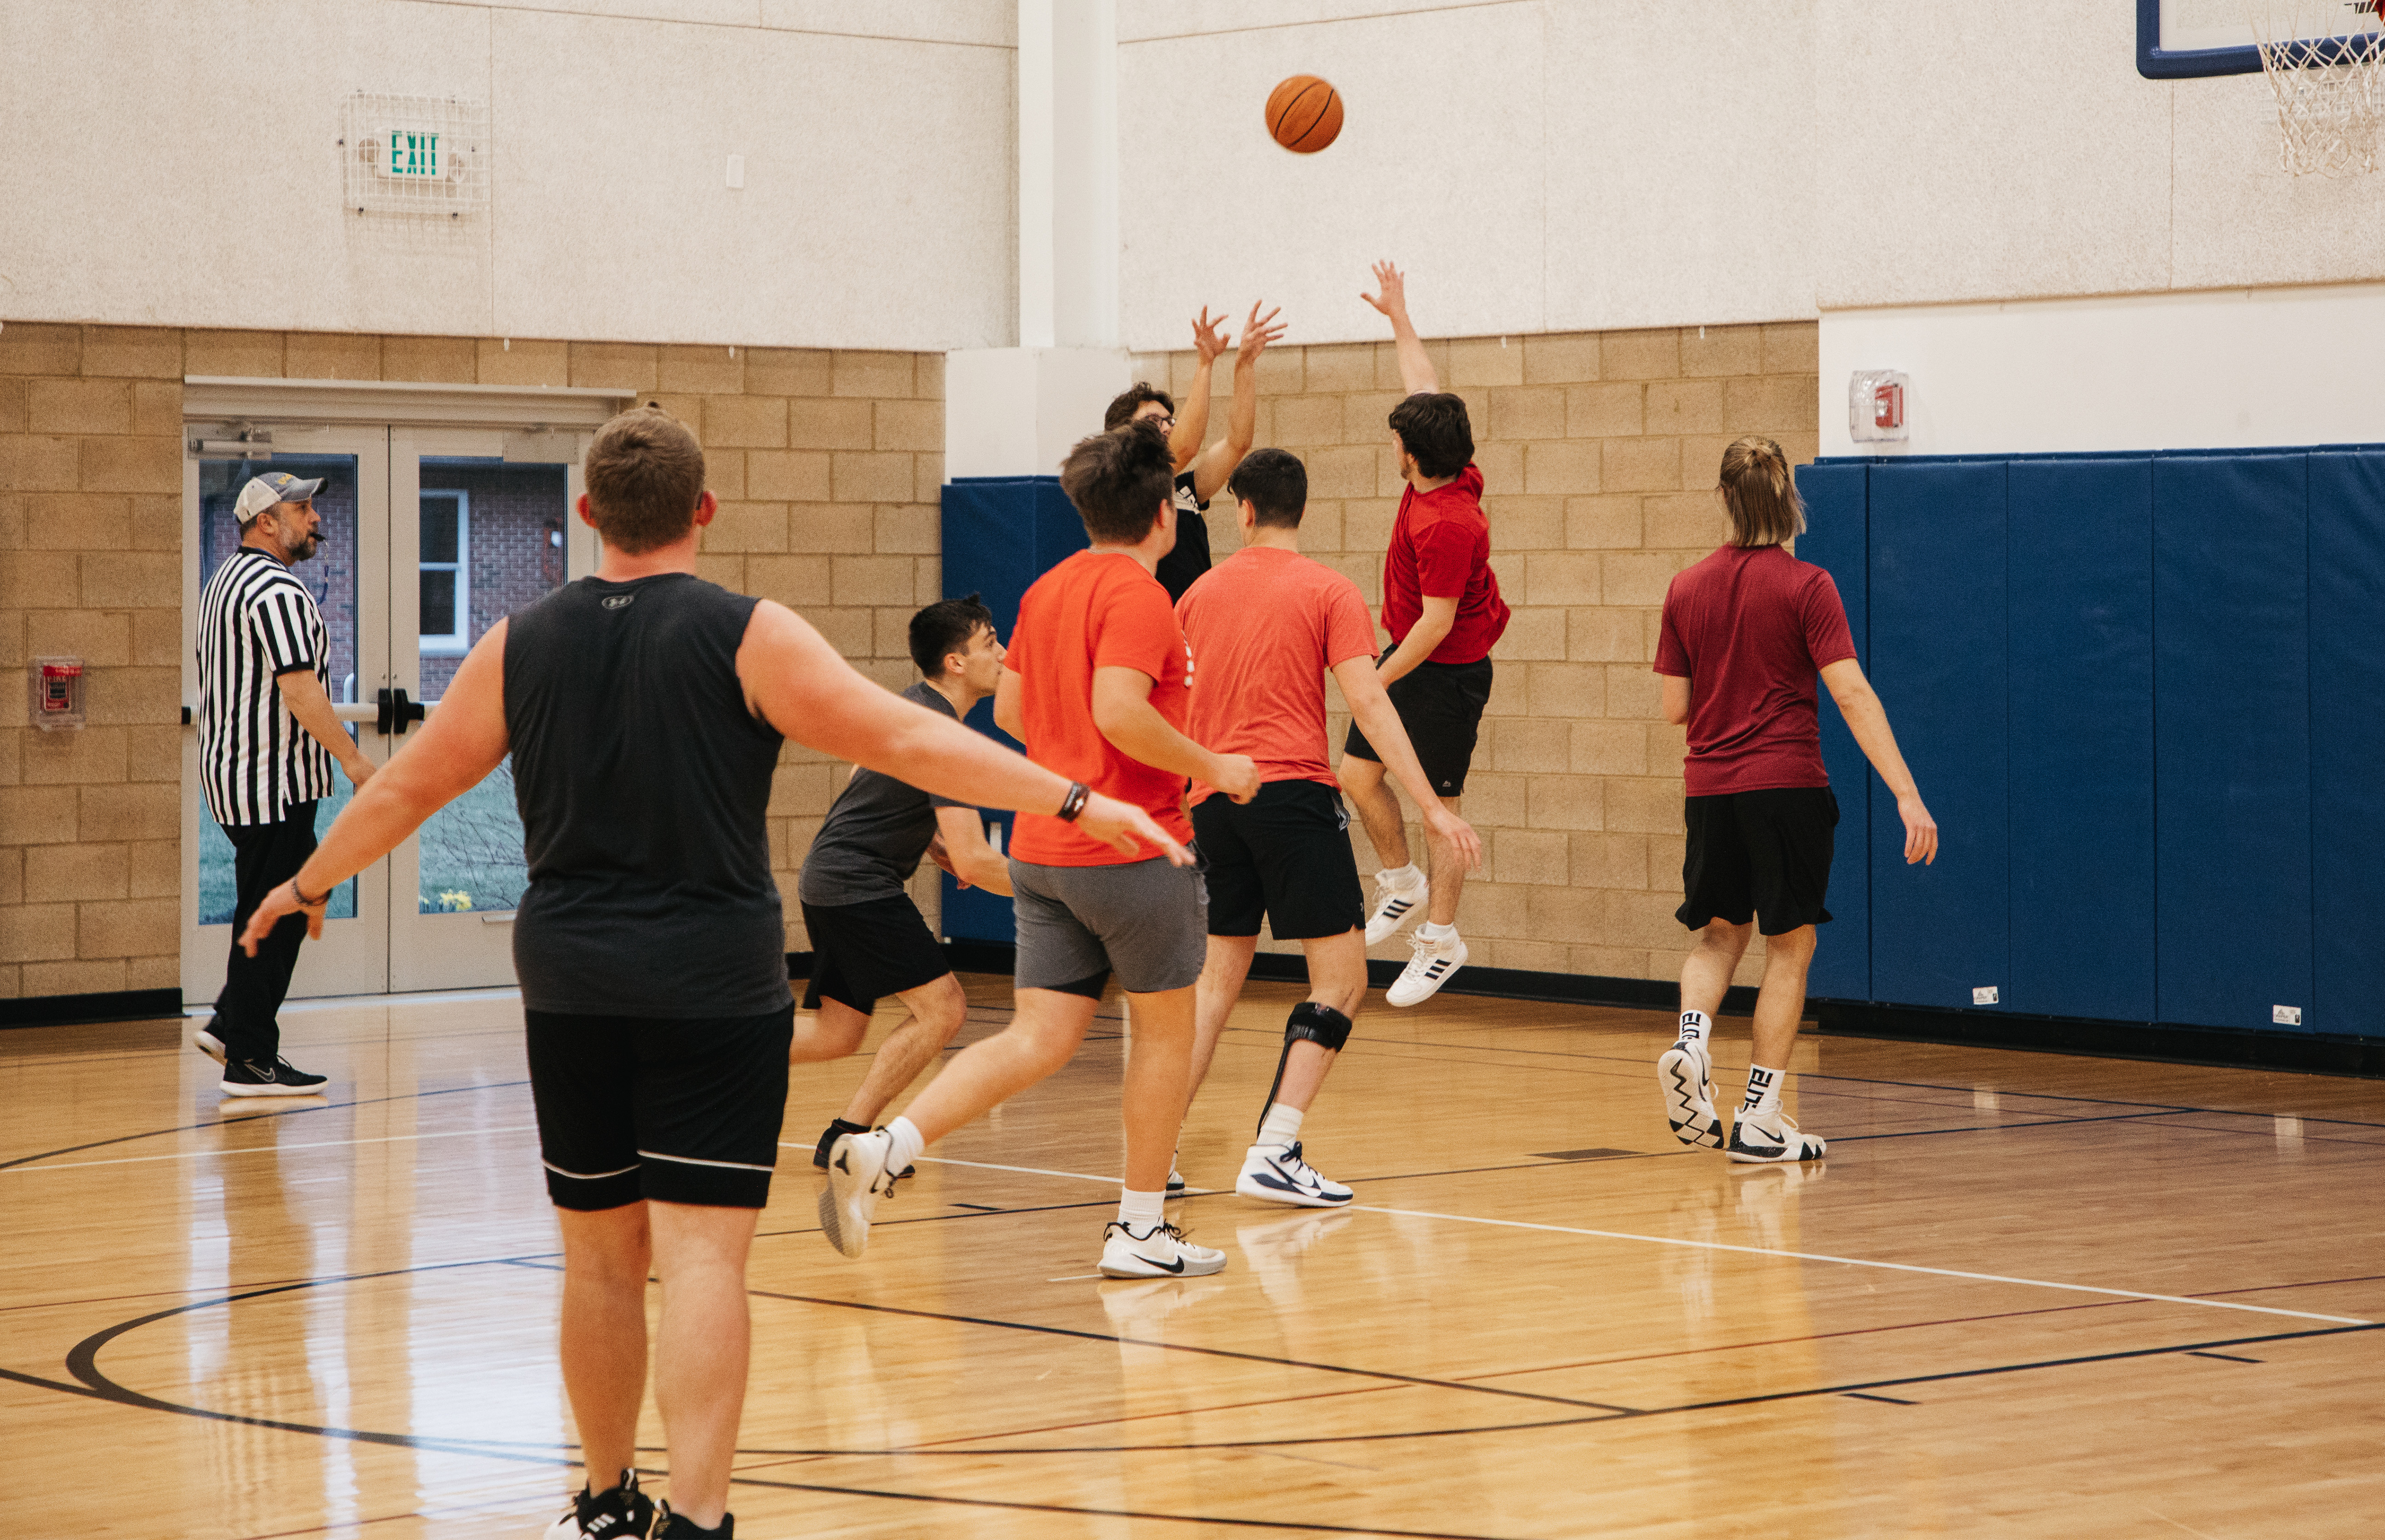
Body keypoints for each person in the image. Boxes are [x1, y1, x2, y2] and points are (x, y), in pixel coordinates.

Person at [236, 408, 1183, 1540]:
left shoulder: (516, 641)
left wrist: (303, 885)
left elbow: (402, 791)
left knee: (598, 1258)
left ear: (587, 515)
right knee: (699, 1261)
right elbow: (913, 739)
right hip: (713, 982)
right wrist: (1081, 796)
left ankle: (600, 1502)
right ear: (706, 511)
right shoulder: (753, 633)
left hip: (574, 982)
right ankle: (696, 1519)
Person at [820, 420, 1261, 1280]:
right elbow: (1121, 712)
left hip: (1044, 848)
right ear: (1163, 518)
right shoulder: (1141, 596)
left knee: (1039, 1036)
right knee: (1166, 1037)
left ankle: (886, 1144)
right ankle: (1139, 1228)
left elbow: (1018, 717)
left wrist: (1074, 769)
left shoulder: (1047, 589)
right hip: (1133, 847)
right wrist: (1218, 767)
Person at [1176, 448, 1481, 1206]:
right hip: (1292, 801)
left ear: (1242, 509)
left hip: (1214, 801)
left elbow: (1169, 712)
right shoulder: (1329, 589)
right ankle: (1274, 1149)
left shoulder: (1195, 594)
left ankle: (1155, 1149)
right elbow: (1370, 705)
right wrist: (1433, 808)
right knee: (1341, 981)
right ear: (1299, 509)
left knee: (1214, 984)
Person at [1652, 436, 1939, 1164]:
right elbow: (1848, 691)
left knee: (1717, 935)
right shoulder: (1808, 586)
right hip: (1786, 785)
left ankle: (1690, 1042)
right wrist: (1907, 794)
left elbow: (1672, 708)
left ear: (1723, 498)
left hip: (1709, 787)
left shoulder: (1684, 588)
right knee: (1791, 945)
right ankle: (1758, 1116)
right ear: (1788, 502)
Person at [791, 594, 1013, 1171]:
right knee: (945, 1008)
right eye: (991, 643)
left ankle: (703, 1055)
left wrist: (928, 841)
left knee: (836, 1034)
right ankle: (850, 1136)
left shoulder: (911, 707)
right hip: (856, 885)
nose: (1005, 653)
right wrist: (1061, 888)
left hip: (831, 878)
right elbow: (976, 861)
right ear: (956, 662)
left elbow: (862, 773)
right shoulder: (945, 735)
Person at [1340, 261, 1510, 1007]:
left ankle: (1440, 938)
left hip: (1442, 669)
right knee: (1355, 773)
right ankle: (1400, 883)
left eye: (1397, 443)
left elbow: (1438, 625)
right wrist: (1399, 316)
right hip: (1408, 653)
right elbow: (1424, 383)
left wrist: (1375, 677)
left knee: (1439, 803)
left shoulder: (1448, 520)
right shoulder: (1446, 471)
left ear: (1412, 455)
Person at [191, 470, 376, 1096]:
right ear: (267, 522)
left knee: (277, 904)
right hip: (272, 781)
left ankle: (229, 1023)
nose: (315, 517)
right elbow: (299, 688)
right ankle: (249, 1056)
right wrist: (353, 760)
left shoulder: (224, 581)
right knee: (280, 910)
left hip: (235, 779)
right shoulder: (277, 591)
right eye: (303, 508)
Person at [1105, 301, 1286, 602]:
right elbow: (1185, 448)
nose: (1165, 428)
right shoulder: (1124, 485)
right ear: (1121, 435)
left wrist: (1244, 365)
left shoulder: (1185, 490)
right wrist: (1205, 363)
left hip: (1196, 627)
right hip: (1154, 621)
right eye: (1153, 421)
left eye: (1168, 421)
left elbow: (1236, 443)